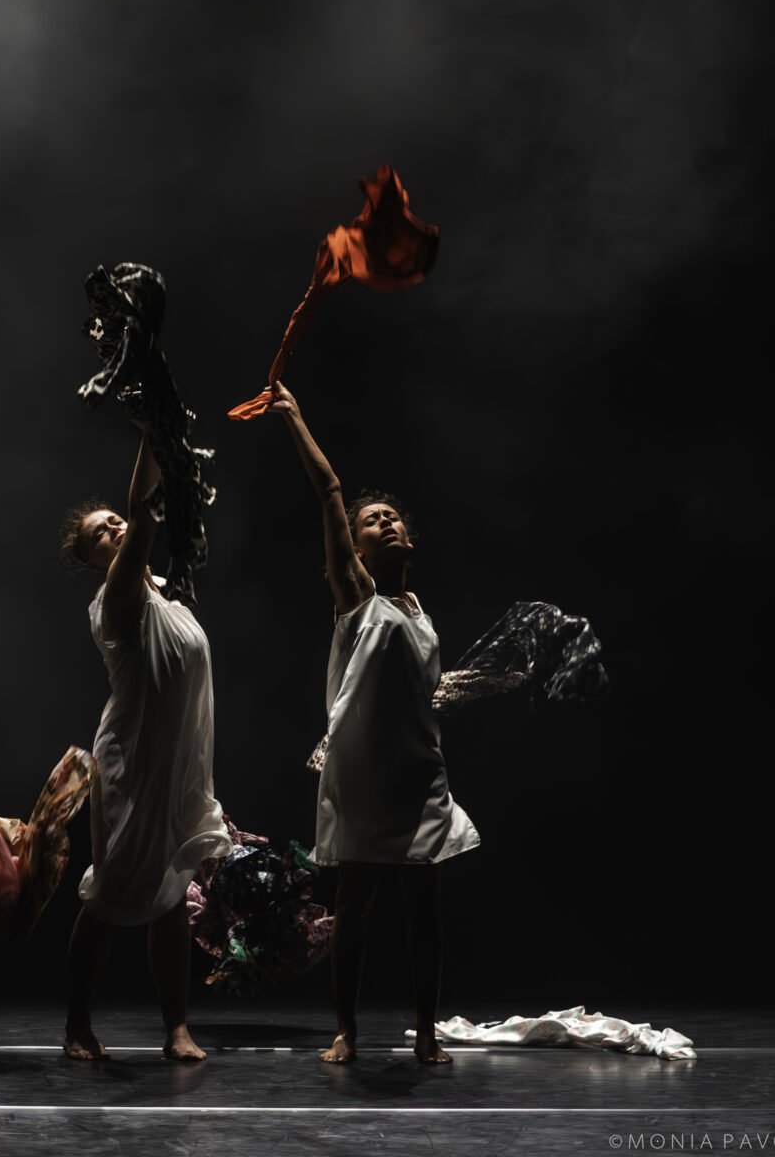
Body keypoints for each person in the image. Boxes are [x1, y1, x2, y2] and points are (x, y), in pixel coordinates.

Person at [265, 379, 478, 1065]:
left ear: (408, 537)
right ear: (354, 550)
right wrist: (294, 417)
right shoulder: (358, 597)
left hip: (419, 776)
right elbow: (330, 491)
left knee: (426, 909)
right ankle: (347, 1032)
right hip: (363, 777)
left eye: (392, 518)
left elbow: (420, 688)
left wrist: (479, 681)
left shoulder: (419, 614)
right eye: (371, 521)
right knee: (354, 903)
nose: (385, 524)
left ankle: (427, 1034)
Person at [57, 419, 234, 1062]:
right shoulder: (118, 596)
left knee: (171, 895)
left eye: (113, 522)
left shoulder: (170, 599)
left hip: (177, 765)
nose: (114, 529)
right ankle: (77, 1027)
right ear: (91, 560)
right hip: (131, 765)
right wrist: (154, 429)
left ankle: (176, 1029)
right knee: (110, 892)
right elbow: (144, 511)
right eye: (99, 533)